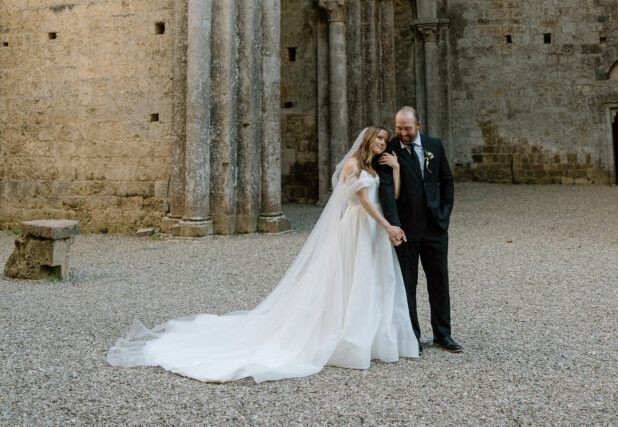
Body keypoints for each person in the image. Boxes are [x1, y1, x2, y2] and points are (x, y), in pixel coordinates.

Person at [107, 127, 419, 382]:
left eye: (384, 139)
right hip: (359, 227)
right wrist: (389, 226)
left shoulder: (377, 166)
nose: (382, 142)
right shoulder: (353, 164)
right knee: (353, 279)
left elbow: (388, 196)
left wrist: (394, 170)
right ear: (367, 140)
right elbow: (363, 201)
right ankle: (348, 338)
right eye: (377, 138)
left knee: (373, 281)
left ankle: (371, 336)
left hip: (375, 229)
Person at [378, 106, 462, 353]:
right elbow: (386, 192)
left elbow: (446, 180)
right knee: (408, 284)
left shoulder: (434, 145)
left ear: (418, 125)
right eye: (398, 128)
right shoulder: (389, 150)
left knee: (439, 282)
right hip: (406, 229)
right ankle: (412, 336)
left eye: (407, 128)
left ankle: (442, 335)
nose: (402, 132)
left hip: (435, 227)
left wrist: (445, 212)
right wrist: (394, 225)